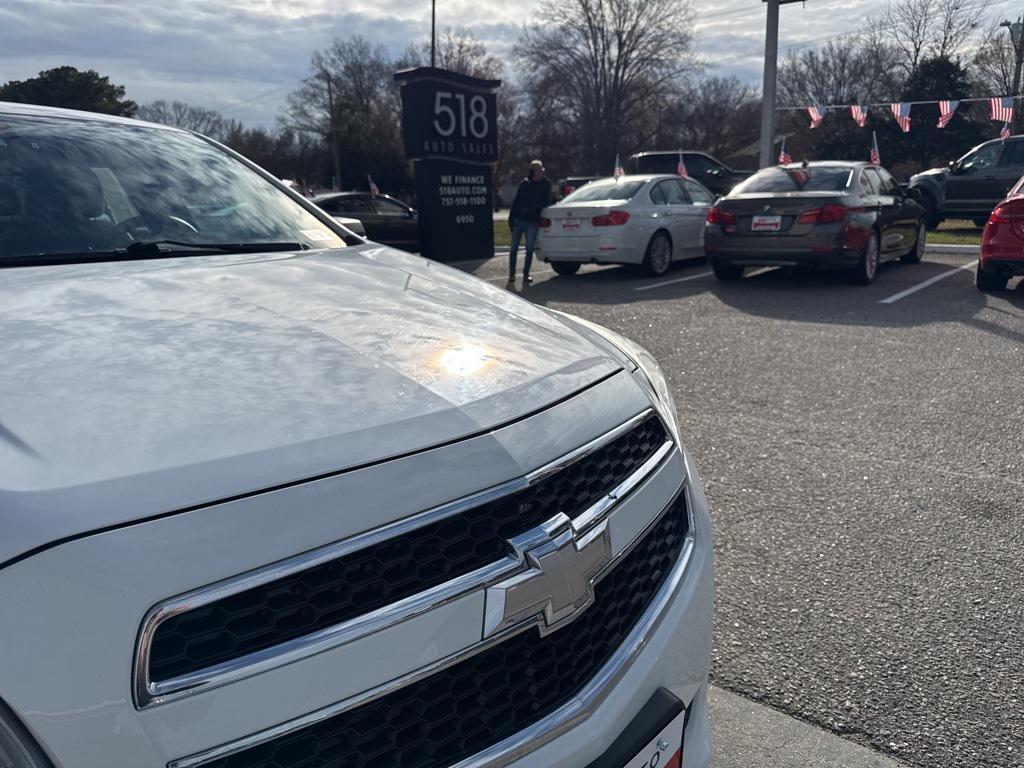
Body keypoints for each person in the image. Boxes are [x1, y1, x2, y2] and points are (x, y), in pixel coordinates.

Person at [507, 160, 552, 285]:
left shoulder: (546, 184)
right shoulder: (525, 184)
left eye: (542, 171)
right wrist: (511, 219)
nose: (541, 173)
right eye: (539, 171)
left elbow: (546, 201)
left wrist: (535, 208)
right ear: (533, 172)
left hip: (532, 221)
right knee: (514, 248)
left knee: (530, 248)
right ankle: (511, 274)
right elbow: (516, 202)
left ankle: (526, 274)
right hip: (519, 219)